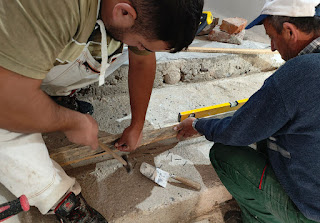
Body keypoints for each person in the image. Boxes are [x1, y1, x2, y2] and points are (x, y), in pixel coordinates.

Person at [0, 0, 204, 222]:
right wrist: (69, 122)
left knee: (122, 45)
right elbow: (7, 104)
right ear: (123, 11)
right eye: (144, 45)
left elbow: (143, 63)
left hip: (33, 54)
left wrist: (137, 125)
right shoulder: (54, 6)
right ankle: (57, 195)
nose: (142, 49)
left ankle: (51, 93)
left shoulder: (140, 11)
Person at [175, 0, 320, 222]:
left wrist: (198, 125)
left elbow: (237, 132)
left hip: (311, 211)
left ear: (290, 31)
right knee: (267, 133)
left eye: (272, 37)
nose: (271, 46)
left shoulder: (298, 75)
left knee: (225, 154)